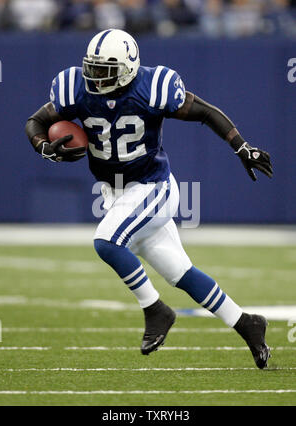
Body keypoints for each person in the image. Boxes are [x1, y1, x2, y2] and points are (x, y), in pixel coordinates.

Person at [25, 29, 273, 369]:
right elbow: (36, 121)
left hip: (152, 187)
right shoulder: (74, 87)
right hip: (116, 194)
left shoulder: (152, 87)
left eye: (104, 70)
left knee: (106, 242)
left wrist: (241, 146)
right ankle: (247, 323)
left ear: (126, 67)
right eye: (91, 68)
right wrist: (43, 147)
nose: (95, 77)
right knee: (180, 273)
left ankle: (155, 309)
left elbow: (205, 112)